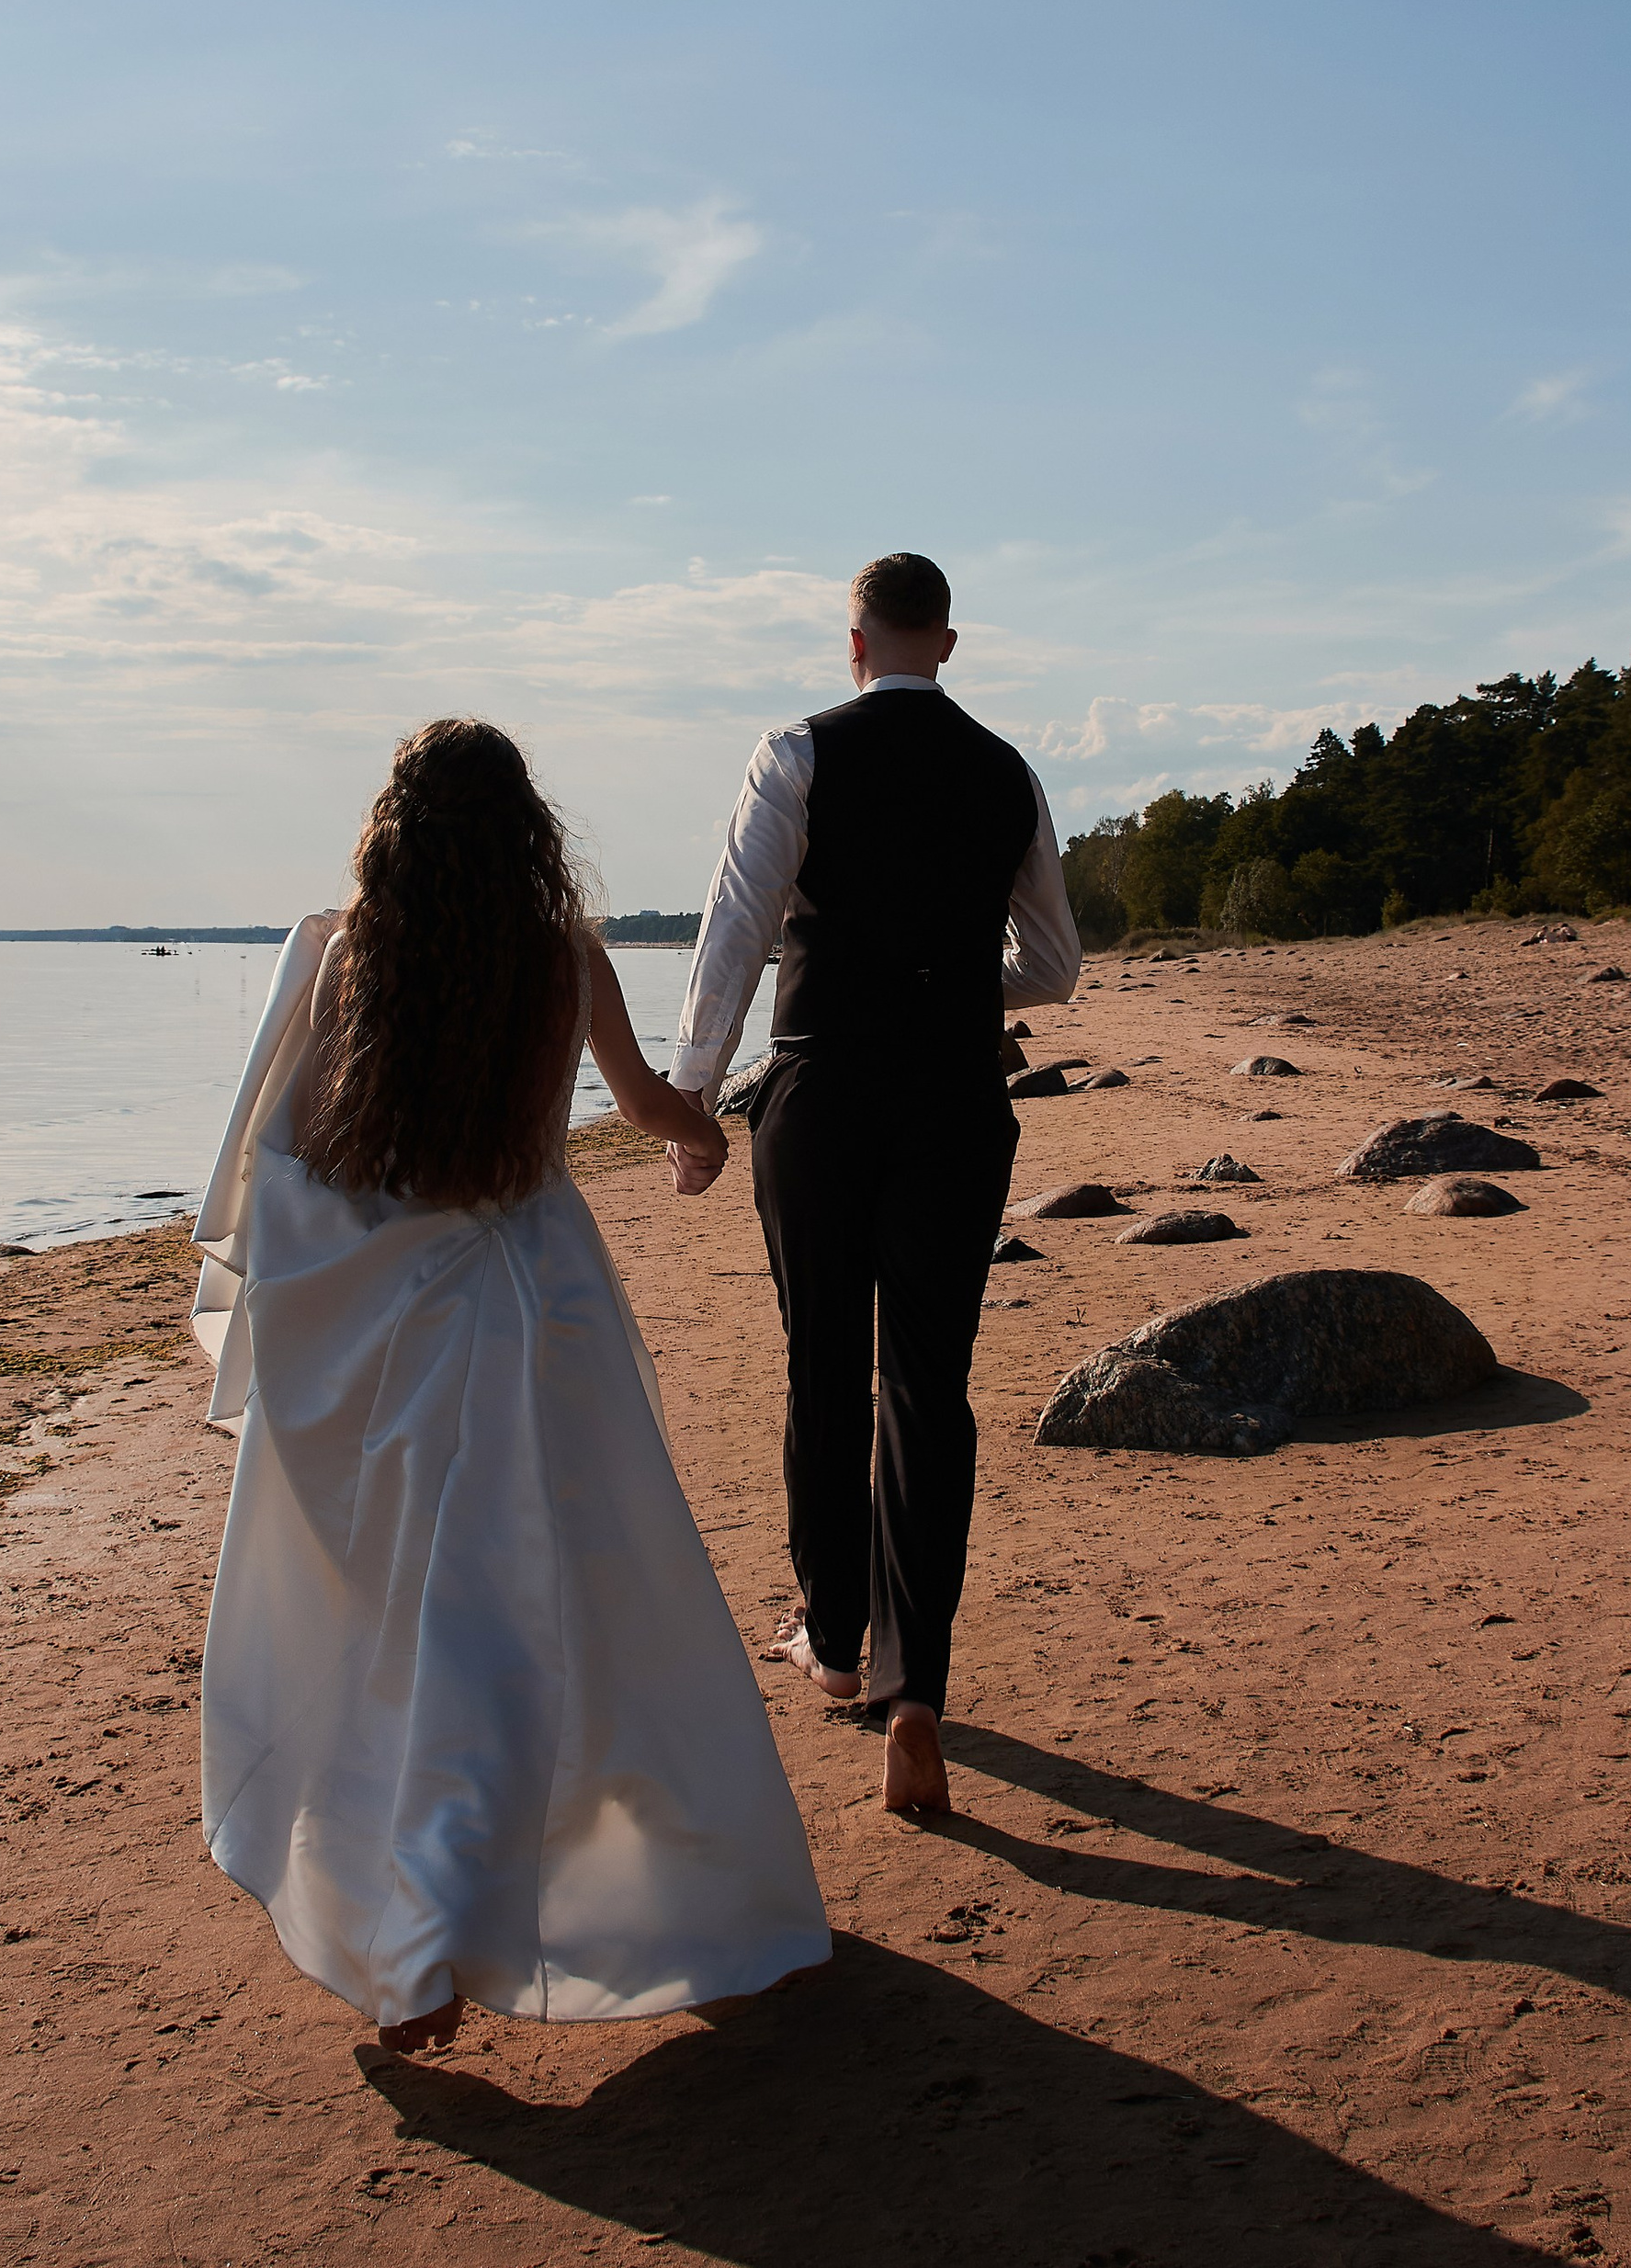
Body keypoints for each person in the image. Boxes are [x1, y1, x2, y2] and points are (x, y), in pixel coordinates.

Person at [189, 719, 831, 2060]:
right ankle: (653, 1889)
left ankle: (423, 1945)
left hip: (389, 1338)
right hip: (543, 1319)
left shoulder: (349, 961)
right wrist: (703, 1141)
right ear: (525, 832)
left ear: (396, 832)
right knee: (580, 1608)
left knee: (413, 1628)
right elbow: (647, 1101)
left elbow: (286, 1161)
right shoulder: (565, 957)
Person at [667, 554, 1082, 1819]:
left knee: (820, 1368)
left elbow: (735, 929)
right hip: (956, 1097)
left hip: (825, 1090)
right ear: (945, 644)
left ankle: (834, 1643)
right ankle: (919, 1693)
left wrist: (691, 1099)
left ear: (855, 642)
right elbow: (1055, 967)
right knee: (928, 1384)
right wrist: (949, 984)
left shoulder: (793, 753)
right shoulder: (1007, 772)